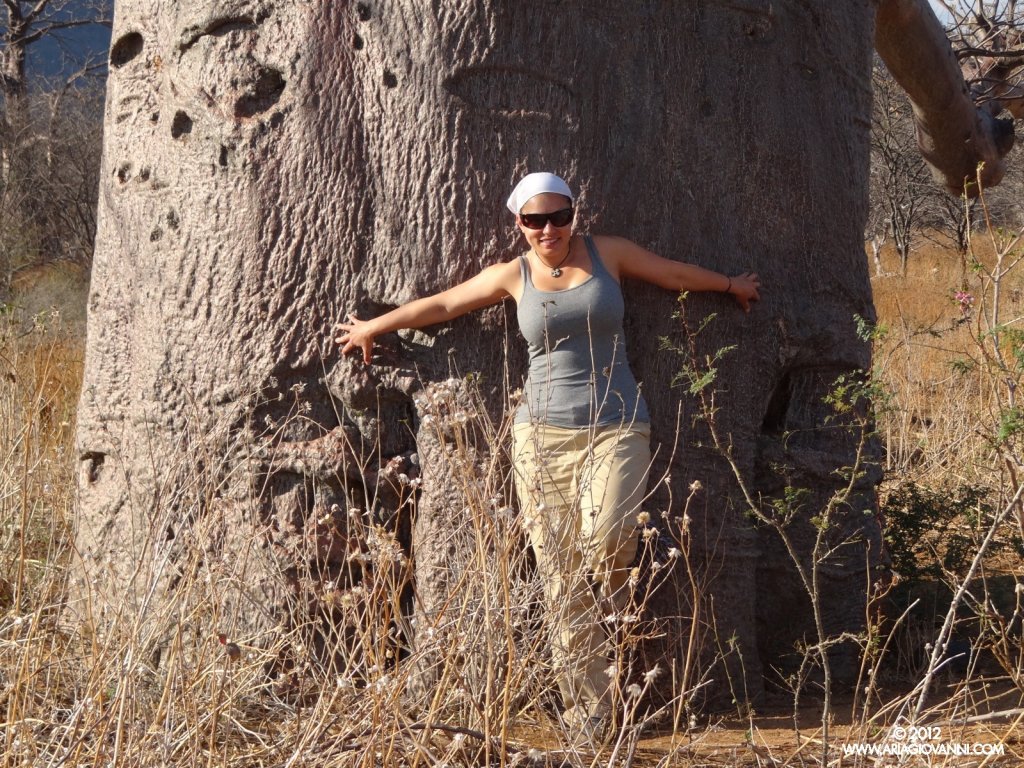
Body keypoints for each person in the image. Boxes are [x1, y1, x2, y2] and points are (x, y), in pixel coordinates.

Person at [334, 172, 760, 738]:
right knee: (560, 576)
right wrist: (375, 326)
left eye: (559, 216)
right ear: (520, 223)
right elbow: (444, 304)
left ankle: (617, 614)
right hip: (541, 438)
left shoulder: (608, 253)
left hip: (617, 424)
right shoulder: (514, 274)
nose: (549, 229)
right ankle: (591, 715)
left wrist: (730, 285)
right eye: (535, 220)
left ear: (573, 215)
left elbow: (673, 274)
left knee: (608, 537)